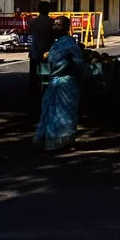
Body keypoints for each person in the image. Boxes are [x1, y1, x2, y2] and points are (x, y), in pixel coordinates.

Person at [34, 16, 83, 153]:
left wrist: (70, 64)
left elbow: (79, 64)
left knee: (66, 114)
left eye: (58, 25)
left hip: (67, 84)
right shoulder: (56, 44)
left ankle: (67, 141)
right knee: (50, 112)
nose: (54, 27)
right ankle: (50, 140)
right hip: (54, 82)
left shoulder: (70, 44)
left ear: (66, 28)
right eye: (54, 24)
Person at [27, 1, 54, 112]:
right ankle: (48, 96)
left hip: (34, 52)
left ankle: (32, 99)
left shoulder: (32, 22)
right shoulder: (51, 22)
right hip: (48, 53)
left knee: (34, 77)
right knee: (49, 76)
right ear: (48, 10)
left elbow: (30, 32)